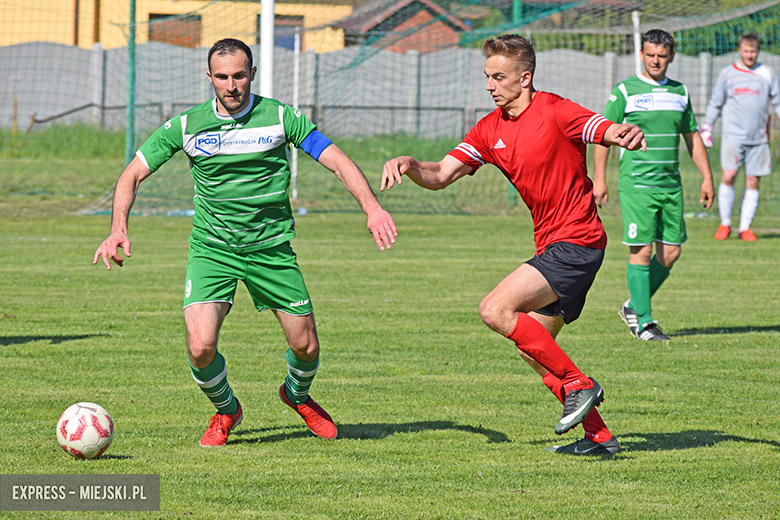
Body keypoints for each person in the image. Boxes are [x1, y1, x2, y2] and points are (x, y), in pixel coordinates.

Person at [94, 38, 398, 447]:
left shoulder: (279, 117)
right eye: (222, 77)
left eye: (239, 75)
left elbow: (336, 160)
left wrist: (372, 208)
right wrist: (118, 229)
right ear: (209, 78)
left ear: (252, 74)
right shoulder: (186, 125)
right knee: (200, 346)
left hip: (271, 249)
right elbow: (130, 175)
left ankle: (297, 395)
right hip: (213, 249)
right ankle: (226, 410)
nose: (231, 85)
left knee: (305, 346)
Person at [382, 34, 646, 456]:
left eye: (498, 77)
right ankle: (599, 437)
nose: (490, 85)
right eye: (487, 77)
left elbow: (603, 128)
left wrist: (624, 134)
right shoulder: (489, 129)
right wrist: (411, 164)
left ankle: (580, 384)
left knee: (495, 309)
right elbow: (441, 174)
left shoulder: (557, 110)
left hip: (577, 240)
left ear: (524, 77)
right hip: (555, 246)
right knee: (538, 352)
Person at [593, 29, 715, 342]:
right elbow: (603, 136)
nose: (656, 60)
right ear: (642, 55)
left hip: (670, 185)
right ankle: (644, 323)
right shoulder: (625, 91)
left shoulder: (680, 91)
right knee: (642, 251)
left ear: (671, 56)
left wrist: (707, 178)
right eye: (650, 55)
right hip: (637, 184)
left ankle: (634, 305)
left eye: (661, 55)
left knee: (671, 253)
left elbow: (692, 137)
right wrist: (600, 180)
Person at [700, 33, 780, 242]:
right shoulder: (728, 74)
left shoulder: (767, 73)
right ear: (740, 51)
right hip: (733, 137)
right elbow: (716, 102)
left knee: (753, 180)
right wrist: (707, 127)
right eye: (746, 51)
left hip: (759, 139)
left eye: (753, 52)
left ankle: (745, 227)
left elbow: (778, 101)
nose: (749, 55)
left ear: (758, 52)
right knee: (729, 176)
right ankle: (725, 223)